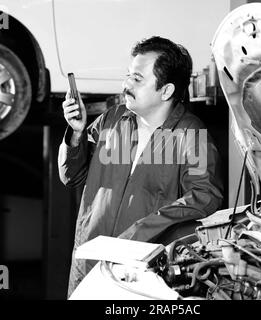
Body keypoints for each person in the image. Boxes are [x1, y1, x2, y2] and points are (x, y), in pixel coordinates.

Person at [58, 36, 224, 297]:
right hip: (89, 262)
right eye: (128, 75)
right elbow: (71, 176)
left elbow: (205, 196)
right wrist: (76, 134)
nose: (126, 85)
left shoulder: (191, 134)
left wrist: (140, 231)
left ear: (166, 91)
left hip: (143, 270)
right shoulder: (112, 120)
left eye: (137, 78)